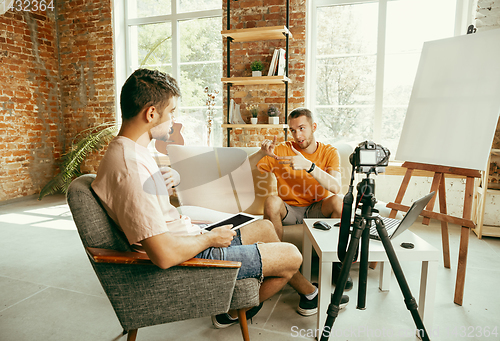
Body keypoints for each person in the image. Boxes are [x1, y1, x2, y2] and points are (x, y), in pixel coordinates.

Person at [91, 69, 325, 330]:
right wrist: (210, 238)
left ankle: (302, 293)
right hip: (192, 254)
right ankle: (237, 307)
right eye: (171, 112)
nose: (173, 121)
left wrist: (166, 183)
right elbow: (164, 255)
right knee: (291, 256)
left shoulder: (129, 151)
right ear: (151, 113)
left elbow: (143, 205)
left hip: (190, 238)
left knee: (265, 227)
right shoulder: (130, 166)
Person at [249, 107, 353, 293]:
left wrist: (309, 166)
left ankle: (338, 265)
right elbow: (246, 167)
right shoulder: (281, 150)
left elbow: (336, 187)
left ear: (313, 127)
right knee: (272, 201)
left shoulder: (329, 152)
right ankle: (278, 265)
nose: (298, 135)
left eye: (302, 128)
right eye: (293, 130)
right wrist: (261, 153)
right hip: (289, 209)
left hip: (317, 208)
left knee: (338, 200)